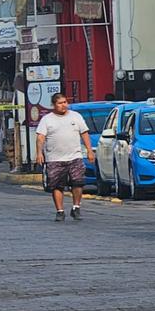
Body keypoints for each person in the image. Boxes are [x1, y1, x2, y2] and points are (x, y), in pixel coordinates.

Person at [35, 92, 94, 222]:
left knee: (78, 182)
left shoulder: (76, 116)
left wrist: (89, 150)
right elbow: (40, 137)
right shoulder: (47, 119)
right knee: (57, 186)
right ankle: (60, 211)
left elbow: (84, 133)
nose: (63, 105)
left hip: (75, 156)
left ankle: (76, 207)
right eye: (60, 103)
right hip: (55, 158)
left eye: (65, 102)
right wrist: (39, 153)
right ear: (54, 105)